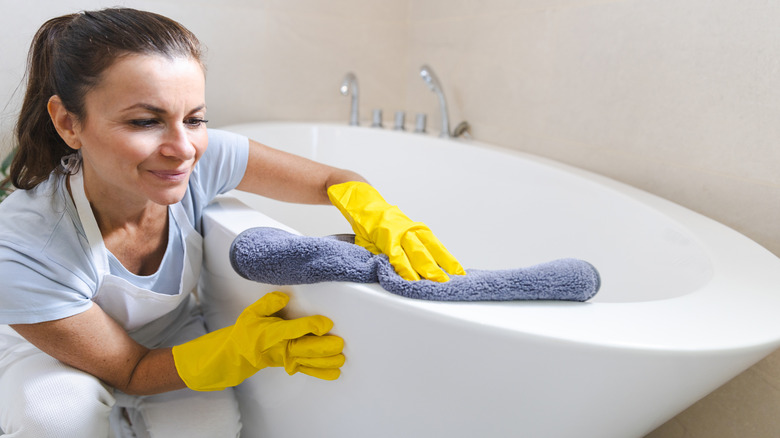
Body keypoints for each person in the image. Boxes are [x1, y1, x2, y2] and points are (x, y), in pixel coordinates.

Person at [0, 7, 465, 438]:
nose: (182, 148)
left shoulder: (200, 157)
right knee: (58, 416)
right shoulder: (22, 247)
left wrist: (378, 213)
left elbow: (330, 181)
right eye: (145, 121)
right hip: (50, 353)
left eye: (195, 118)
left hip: (166, 332)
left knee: (210, 426)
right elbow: (131, 370)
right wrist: (240, 350)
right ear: (68, 123)